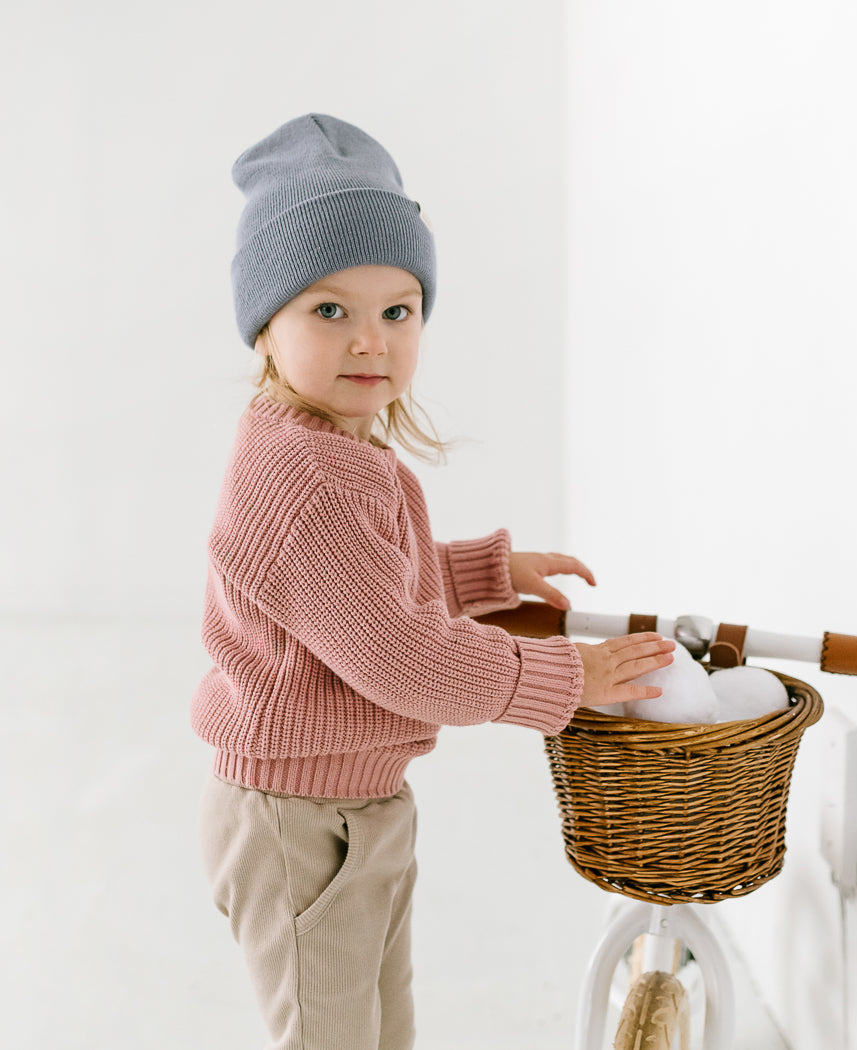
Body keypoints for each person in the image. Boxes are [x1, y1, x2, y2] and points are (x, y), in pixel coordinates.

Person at [192, 113, 674, 1050]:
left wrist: (480, 573)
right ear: (264, 327)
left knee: (380, 1026)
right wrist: (570, 683)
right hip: (301, 827)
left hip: (348, 803)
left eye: (398, 310)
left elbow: (354, 597)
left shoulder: (326, 450)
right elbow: (402, 657)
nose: (370, 342)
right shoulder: (308, 481)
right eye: (329, 310)